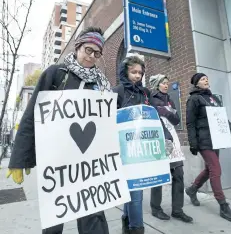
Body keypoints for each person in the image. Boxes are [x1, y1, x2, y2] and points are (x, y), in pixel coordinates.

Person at [6, 27, 111, 234]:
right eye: (88, 50)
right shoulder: (56, 74)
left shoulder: (102, 84)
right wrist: (20, 158)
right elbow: (31, 115)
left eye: (97, 53)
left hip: (90, 162)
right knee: (54, 221)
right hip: (58, 163)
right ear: (78, 46)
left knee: (94, 217)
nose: (91, 57)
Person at [185, 73, 231, 224]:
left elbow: (222, 119)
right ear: (196, 83)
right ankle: (224, 206)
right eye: (203, 79)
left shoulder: (213, 99)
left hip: (216, 139)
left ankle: (192, 190)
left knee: (209, 169)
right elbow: (190, 123)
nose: (206, 80)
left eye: (207, 78)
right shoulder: (194, 99)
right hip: (204, 140)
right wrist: (193, 143)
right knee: (216, 170)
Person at [149, 74, 193, 223]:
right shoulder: (151, 98)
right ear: (156, 84)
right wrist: (166, 112)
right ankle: (156, 208)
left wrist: (166, 112)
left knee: (178, 174)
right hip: (160, 139)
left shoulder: (170, 99)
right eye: (163, 83)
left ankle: (177, 210)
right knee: (160, 176)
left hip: (172, 139)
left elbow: (176, 119)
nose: (166, 85)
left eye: (167, 83)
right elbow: (154, 116)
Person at [113, 55, 150, 234]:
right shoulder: (117, 91)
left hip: (142, 147)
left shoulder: (145, 93)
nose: (137, 76)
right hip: (124, 148)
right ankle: (136, 228)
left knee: (133, 189)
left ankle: (127, 223)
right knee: (136, 191)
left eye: (140, 73)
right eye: (133, 72)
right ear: (125, 71)